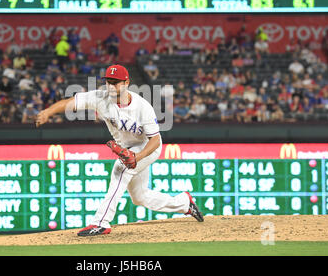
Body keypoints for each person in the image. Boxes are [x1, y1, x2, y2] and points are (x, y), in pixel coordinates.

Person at [35, 64, 204, 236]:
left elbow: (155, 140)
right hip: (128, 149)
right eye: (109, 81)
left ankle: (101, 223)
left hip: (147, 148)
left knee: (120, 169)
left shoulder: (142, 107)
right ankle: (184, 203)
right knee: (140, 197)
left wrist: (138, 157)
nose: (111, 86)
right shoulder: (100, 98)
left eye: (115, 82)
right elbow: (72, 102)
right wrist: (48, 112)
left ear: (126, 83)